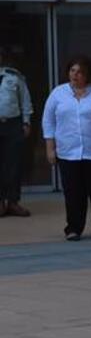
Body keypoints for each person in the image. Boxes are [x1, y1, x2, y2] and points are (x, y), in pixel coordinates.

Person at [42, 55, 91, 241]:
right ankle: (73, 229)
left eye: (80, 72)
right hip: (68, 152)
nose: (75, 75)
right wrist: (50, 149)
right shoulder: (58, 94)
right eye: (72, 71)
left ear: (88, 75)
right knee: (73, 193)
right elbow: (48, 122)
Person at [0, 47, 34, 217]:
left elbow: (25, 100)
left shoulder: (14, 77)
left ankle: (13, 202)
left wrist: (26, 122)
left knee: (13, 164)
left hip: (12, 124)